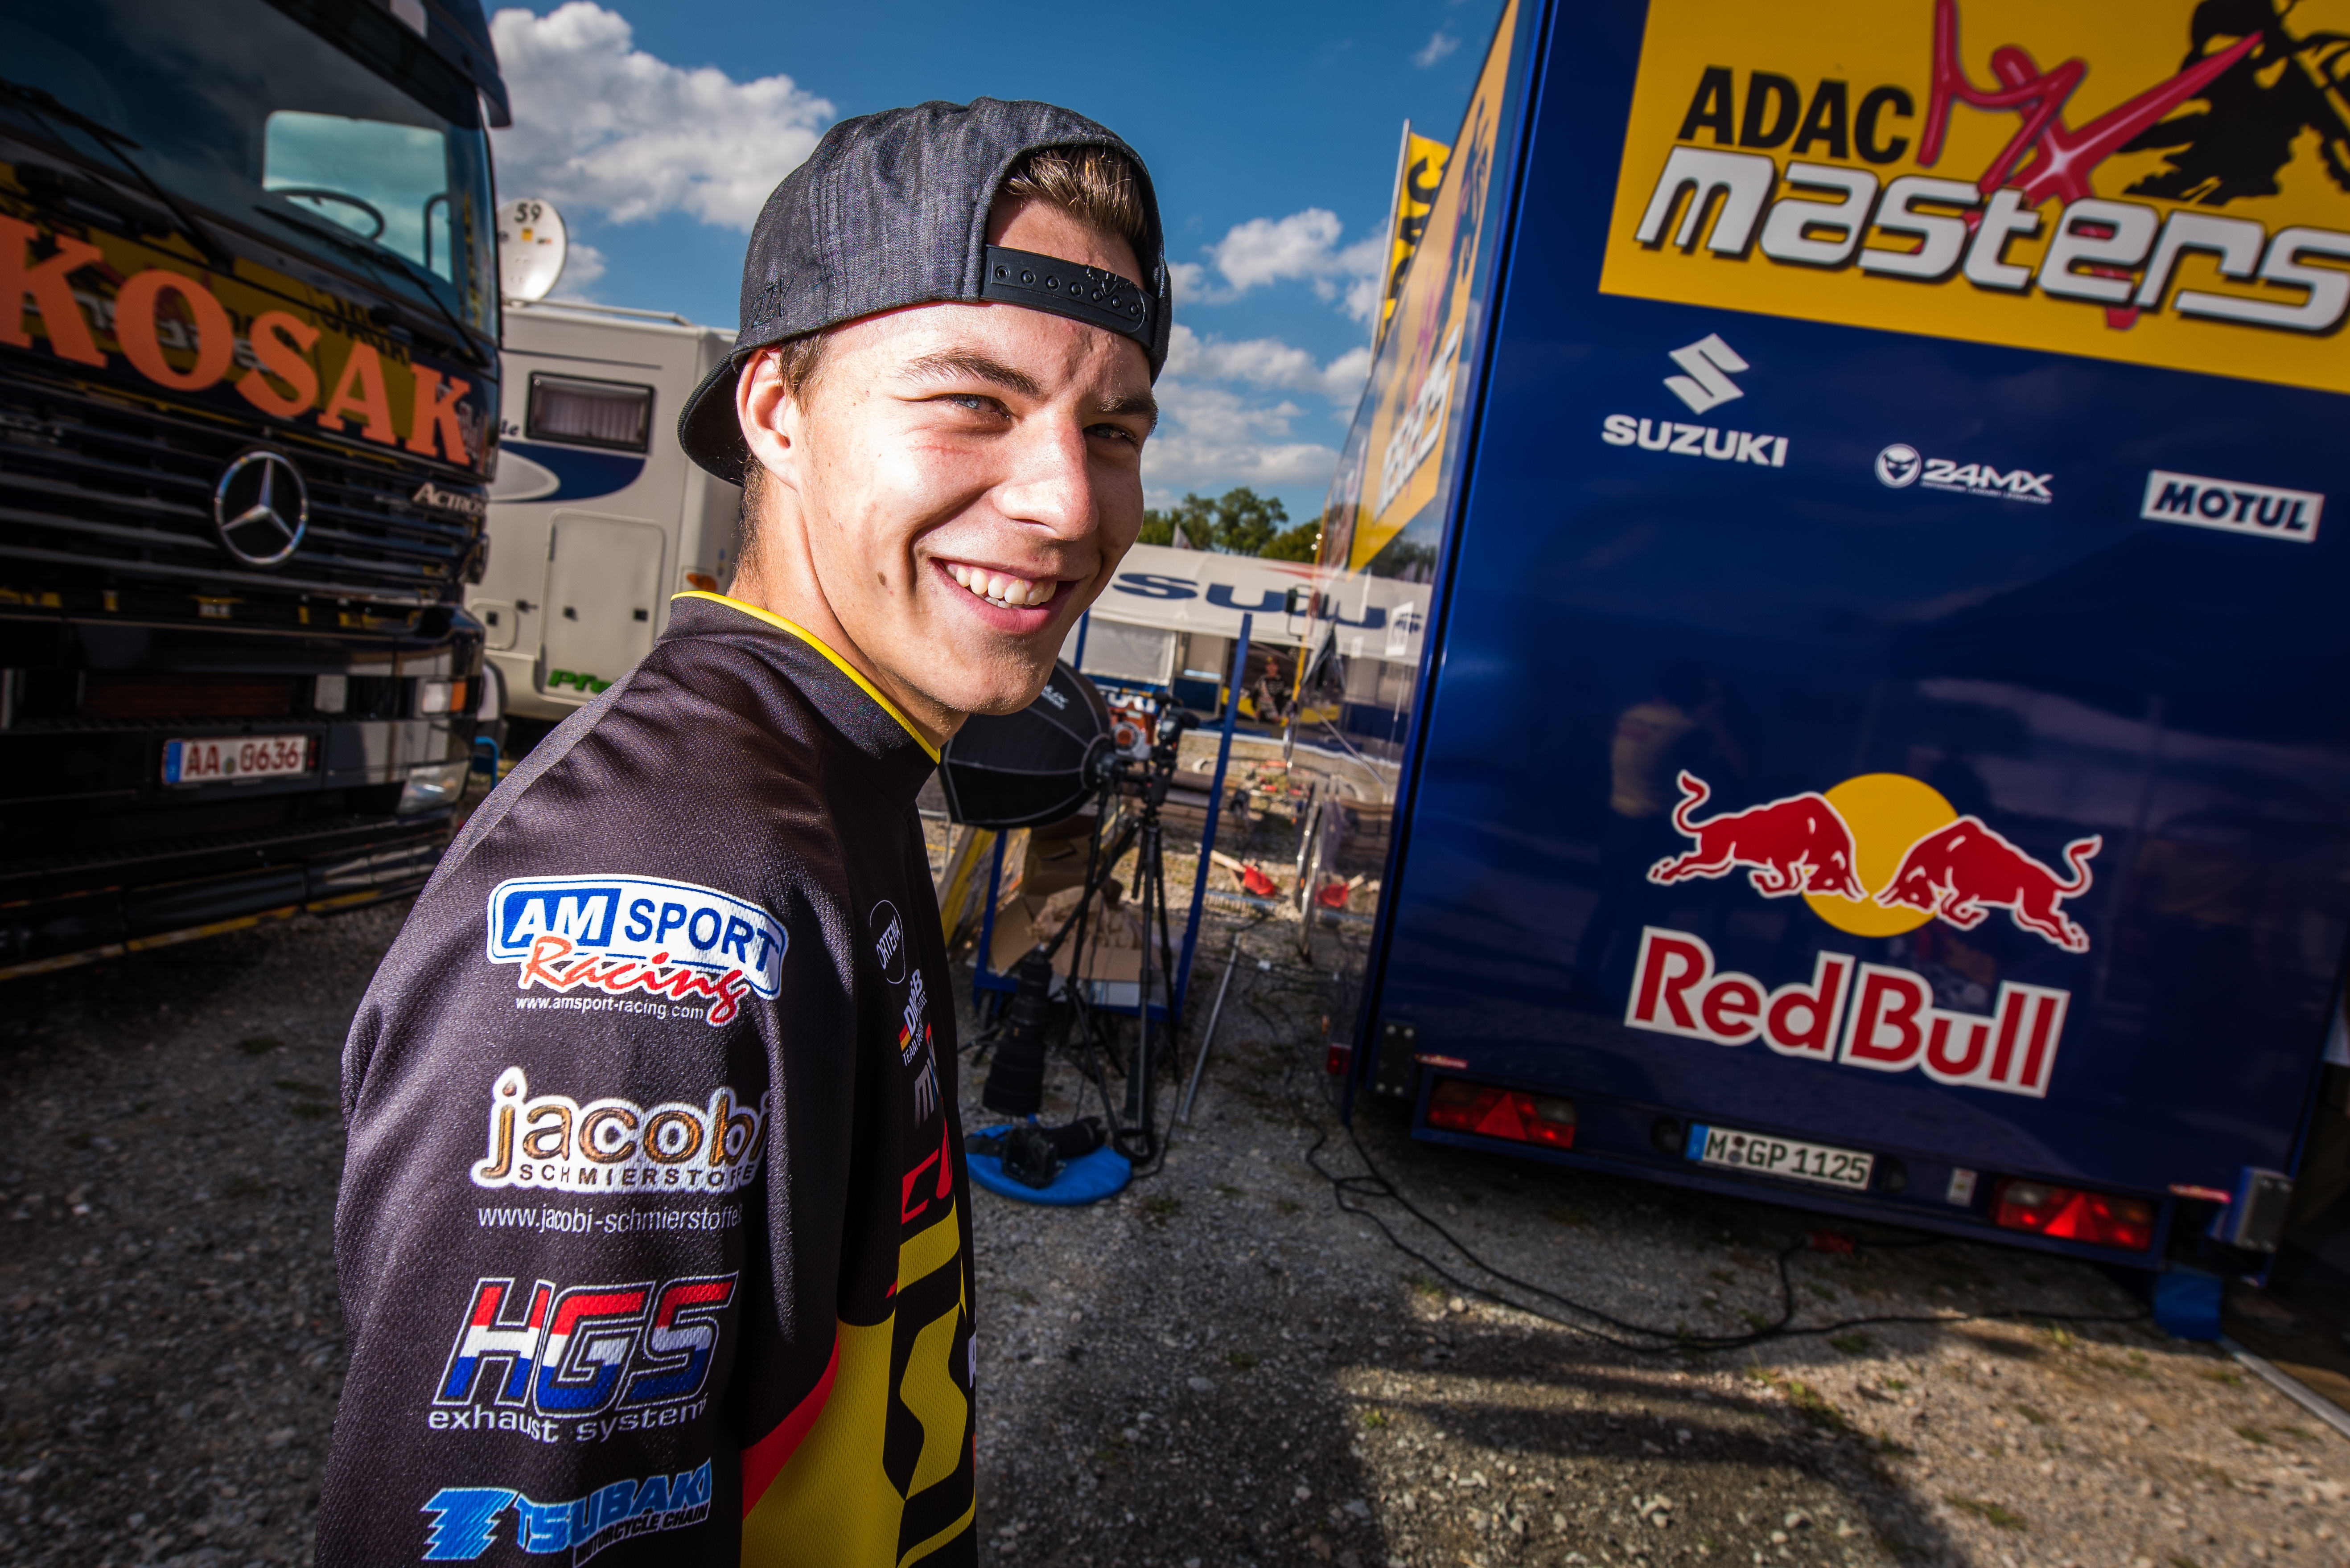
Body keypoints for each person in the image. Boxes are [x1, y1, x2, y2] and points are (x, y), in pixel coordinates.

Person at [316, 99, 1170, 1566]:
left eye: (1113, 430)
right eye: (974, 402)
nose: (1066, 502)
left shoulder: (838, 776)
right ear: (775, 413)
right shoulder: (662, 902)